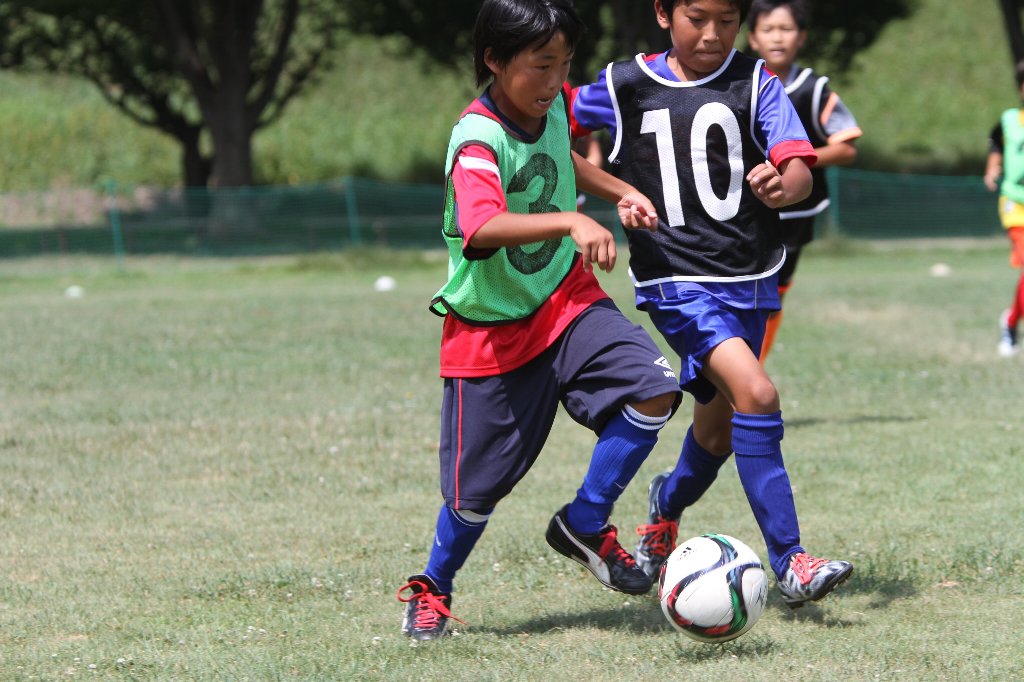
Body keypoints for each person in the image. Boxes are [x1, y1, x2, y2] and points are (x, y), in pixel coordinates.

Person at [396, 0, 682, 641]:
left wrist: (619, 190)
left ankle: (585, 521)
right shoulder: (477, 138)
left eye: (564, 64)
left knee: (655, 387)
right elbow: (480, 226)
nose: (555, 81)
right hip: (492, 328)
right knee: (475, 494)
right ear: (494, 60)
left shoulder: (549, 106)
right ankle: (434, 586)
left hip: (566, 298)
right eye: (541, 64)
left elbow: (561, 158)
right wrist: (572, 220)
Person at [569, 0, 853, 608]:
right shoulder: (623, 84)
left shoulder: (757, 82)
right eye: (697, 18)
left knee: (718, 433)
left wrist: (784, 184)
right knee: (758, 393)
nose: (712, 34)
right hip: (675, 282)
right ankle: (791, 561)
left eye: (726, 21)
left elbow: (799, 168)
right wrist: (601, 189)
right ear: (664, 13)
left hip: (748, 280)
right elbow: (540, 121)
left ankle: (663, 508)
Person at [746, 0, 862, 362]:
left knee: (773, 295)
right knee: (739, 291)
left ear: (802, 37)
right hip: (743, 209)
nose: (777, 37)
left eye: (786, 29)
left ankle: (752, 371)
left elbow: (846, 147)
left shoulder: (813, 89)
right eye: (768, 29)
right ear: (752, 38)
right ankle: (736, 375)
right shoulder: (738, 84)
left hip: (794, 214)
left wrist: (793, 161)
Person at [984, 58, 1024, 358]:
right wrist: (992, 167)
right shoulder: (1009, 120)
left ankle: (1011, 319)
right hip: (1015, 203)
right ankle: (1010, 325)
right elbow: (996, 144)